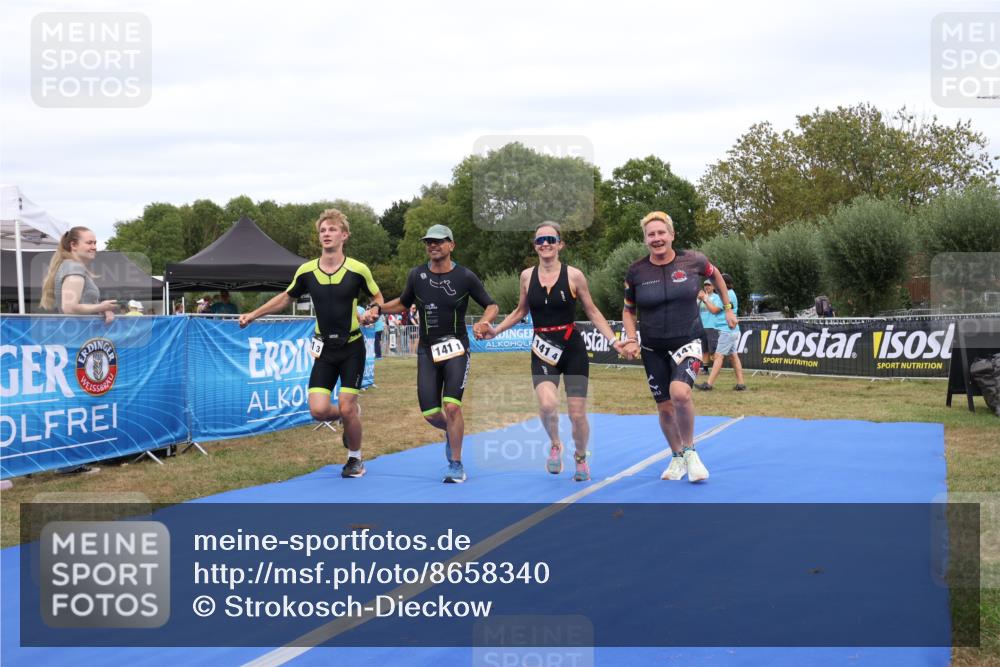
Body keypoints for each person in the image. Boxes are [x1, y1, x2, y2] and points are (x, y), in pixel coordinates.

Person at [239, 208, 382, 479]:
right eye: (322, 231)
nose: (326, 234)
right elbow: (284, 298)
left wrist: (374, 311)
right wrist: (253, 314)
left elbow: (377, 296)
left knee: (348, 404)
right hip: (324, 349)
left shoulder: (357, 269)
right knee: (318, 410)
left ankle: (355, 459)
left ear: (344, 235)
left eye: (332, 229)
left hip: (352, 347)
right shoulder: (306, 271)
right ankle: (349, 415)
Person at [484, 222, 624, 482]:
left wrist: (614, 340)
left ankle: (581, 457)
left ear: (560, 244)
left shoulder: (574, 276)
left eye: (550, 239)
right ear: (535, 246)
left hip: (572, 349)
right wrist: (496, 330)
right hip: (542, 349)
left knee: (577, 414)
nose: (545, 244)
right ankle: (556, 444)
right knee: (548, 405)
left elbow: (592, 310)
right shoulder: (527, 276)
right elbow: (520, 311)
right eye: (540, 240)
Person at [619, 211, 736, 482]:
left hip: (688, 340)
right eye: (651, 234)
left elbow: (716, 275)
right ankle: (676, 457)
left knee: (680, 393)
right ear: (645, 239)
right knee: (665, 407)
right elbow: (628, 310)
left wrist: (728, 308)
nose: (657, 238)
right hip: (652, 347)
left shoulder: (694, 260)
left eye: (662, 233)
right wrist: (632, 338)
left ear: (672, 235)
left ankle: (691, 451)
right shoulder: (636, 271)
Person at [378, 224, 498, 483]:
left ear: (451, 245)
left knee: (452, 408)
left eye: (439, 241)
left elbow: (491, 305)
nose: (433, 245)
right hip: (427, 351)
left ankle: (455, 464)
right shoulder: (416, 275)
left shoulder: (465, 277)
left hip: (457, 348)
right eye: (429, 242)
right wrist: (378, 310)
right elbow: (403, 302)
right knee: (432, 414)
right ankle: (452, 432)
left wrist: (484, 322)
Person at [40, 226, 118, 474]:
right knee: (71, 404)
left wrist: (101, 308)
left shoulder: (73, 267)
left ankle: (68, 461)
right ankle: (68, 463)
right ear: (73, 245)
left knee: (70, 403)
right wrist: (101, 306)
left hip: (73, 345)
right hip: (72, 346)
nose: (94, 247)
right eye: (89, 242)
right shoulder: (73, 268)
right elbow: (69, 307)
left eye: (96, 242)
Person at [697, 273, 747, 391]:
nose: (715, 284)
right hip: (729, 330)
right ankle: (741, 384)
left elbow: (714, 310)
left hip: (727, 331)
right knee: (734, 357)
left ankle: (708, 384)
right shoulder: (728, 294)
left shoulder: (727, 295)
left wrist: (704, 298)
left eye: (717, 281)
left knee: (718, 356)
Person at [697, 279, 718, 373]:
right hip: (702, 326)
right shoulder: (701, 298)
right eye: (705, 285)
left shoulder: (717, 297)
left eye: (709, 285)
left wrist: (705, 299)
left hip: (712, 326)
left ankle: (716, 368)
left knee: (713, 349)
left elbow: (715, 309)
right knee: (704, 349)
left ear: (713, 287)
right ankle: (705, 369)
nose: (707, 287)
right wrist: (699, 299)